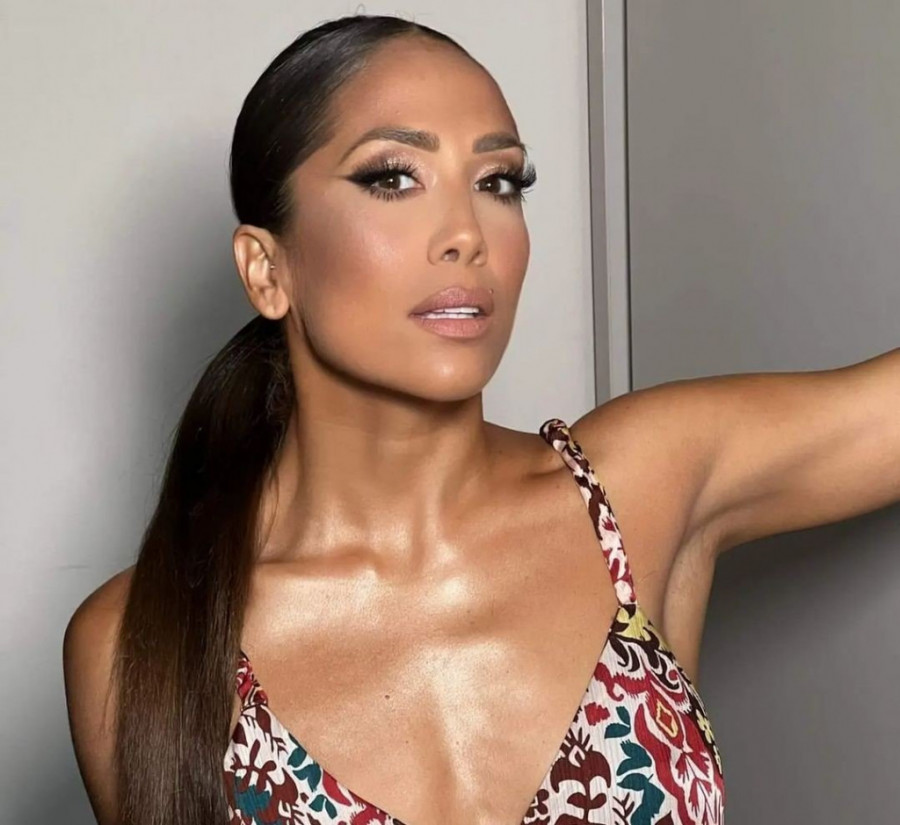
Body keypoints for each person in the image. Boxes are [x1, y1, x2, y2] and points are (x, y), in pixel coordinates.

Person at [61, 12, 899, 825]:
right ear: (266, 269)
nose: (467, 232)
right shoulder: (139, 645)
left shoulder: (640, 485)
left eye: (499, 182)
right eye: (393, 177)